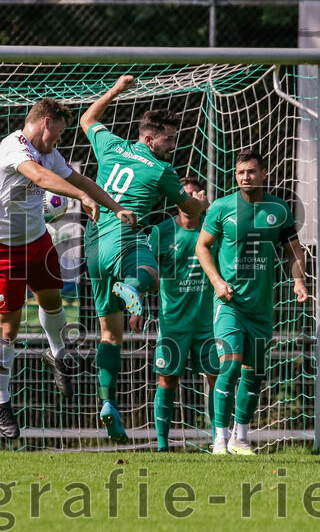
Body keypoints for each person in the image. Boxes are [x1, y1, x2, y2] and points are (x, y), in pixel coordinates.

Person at [0, 97, 136, 440]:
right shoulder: (13, 147)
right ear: (46, 122)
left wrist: (115, 207)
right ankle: (2, 401)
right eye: (60, 133)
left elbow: (80, 181)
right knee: (8, 329)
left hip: (36, 240)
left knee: (53, 301)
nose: (59, 141)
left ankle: (57, 355)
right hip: (1, 249)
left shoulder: (49, 153)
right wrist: (80, 199)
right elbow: (39, 176)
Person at [80, 75, 208, 444]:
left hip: (93, 245)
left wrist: (116, 91)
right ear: (150, 139)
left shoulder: (111, 145)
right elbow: (189, 207)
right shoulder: (161, 170)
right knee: (149, 272)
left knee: (109, 335)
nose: (173, 144)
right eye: (168, 138)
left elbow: (88, 119)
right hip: (123, 235)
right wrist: (202, 204)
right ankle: (132, 286)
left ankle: (108, 405)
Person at [196, 150, 308, 455]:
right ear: (235, 175)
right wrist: (217, 282)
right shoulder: (220, 208)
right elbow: (202, 247)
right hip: (230, 304)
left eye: (251, 172)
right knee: (229, 367)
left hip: (261, 308)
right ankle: (220, 438)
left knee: (253, 372)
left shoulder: (279, 209)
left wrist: (298, 280)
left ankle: (241, 438)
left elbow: (294, 250)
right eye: (241, 172)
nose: (246, 177)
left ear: (264, 173)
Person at [132, 177, 219, 452]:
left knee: (217, 378)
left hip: (209, 322)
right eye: (185, 194)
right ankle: (161, 445)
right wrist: (138, 305)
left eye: (195, 194)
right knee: (167, 379)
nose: (189, 198)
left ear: (201, 199)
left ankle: (220, 441)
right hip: (173, 323)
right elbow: (146, 268)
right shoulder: (161, 232)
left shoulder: (214, 231)